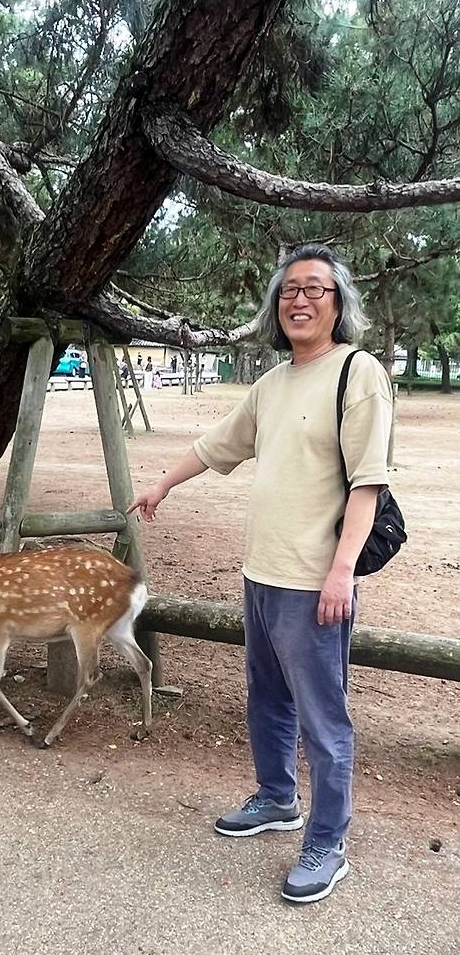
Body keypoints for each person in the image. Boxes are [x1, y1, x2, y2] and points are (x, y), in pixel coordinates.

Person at [128, 244, 392, 905]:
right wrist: (162, 484)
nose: (300, 300)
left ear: (338, 304)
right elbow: (217, 444)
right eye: (289, 291)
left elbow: (368, 484)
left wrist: (341, 573)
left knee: (323, 719)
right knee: (266, 699)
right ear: (277, 308)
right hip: (262, 574)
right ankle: (278, 798)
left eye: (315, 290)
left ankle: (327, 843)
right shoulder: (271, 384)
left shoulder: (356, 374)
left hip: (315, 583)